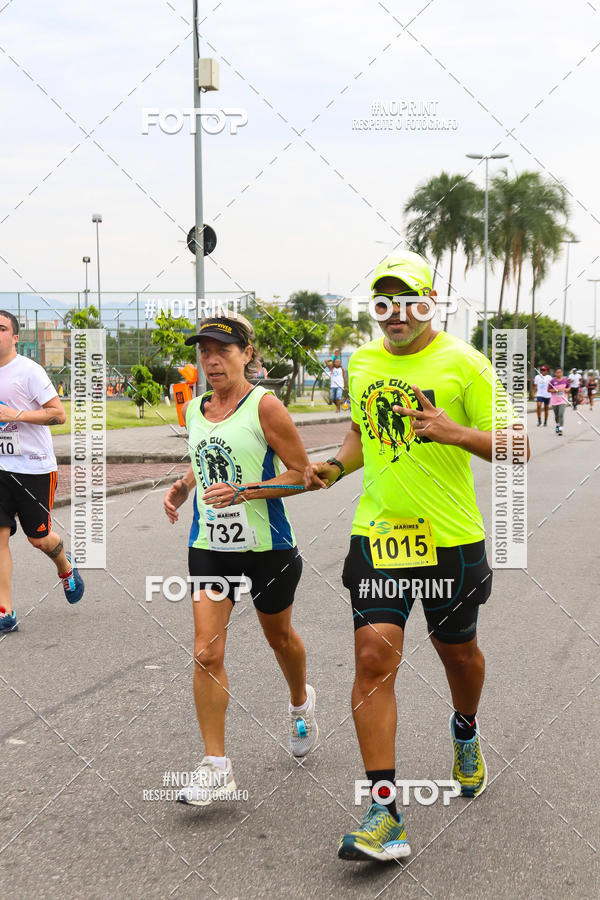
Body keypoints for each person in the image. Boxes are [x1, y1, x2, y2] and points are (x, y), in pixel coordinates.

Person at [305, 251, 529, 862]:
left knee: (460, 655)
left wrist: (452, 431)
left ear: (429, 301)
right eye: (384, 301)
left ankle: (465, 729)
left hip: (451, 539)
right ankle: (384, 812)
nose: (395, 313)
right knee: (373, 656)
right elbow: (359, 435)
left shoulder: (466, 363)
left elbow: (518, 445)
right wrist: (333, 466)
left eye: (407, 300)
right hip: (378, 535)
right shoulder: (363, 361)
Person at [163, 314, 319, 806]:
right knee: (206, 652)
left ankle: (301, 701)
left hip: (268, 547)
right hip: (210, 545)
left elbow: (302, 474)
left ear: (247, 354)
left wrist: (247, 491)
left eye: (223, 350)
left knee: (280, 638)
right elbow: (202, 456)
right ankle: (216, 767)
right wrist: (185, 486)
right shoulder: (194, 409)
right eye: (204, 350)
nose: (211, 359)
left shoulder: (265, 406)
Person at [0, 311, 85, 635]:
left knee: (39, 538)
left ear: (15, 337)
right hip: (0, 469)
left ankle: (65, 567)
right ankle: (5, 612)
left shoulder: (29, 371)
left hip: (34, 468)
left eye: (2, 328)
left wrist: (15, 414)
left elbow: (58, 415)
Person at [548, 367, 569, 435]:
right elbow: (548, 390)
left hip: (563, 400)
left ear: (562, 373)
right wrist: (556, 390)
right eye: (557, 372)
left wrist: (567, 390)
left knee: (561, 414)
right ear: (555, 373)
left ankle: (561, 429)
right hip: (554, 401)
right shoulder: (552, 381)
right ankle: (557, 425)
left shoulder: (565, 380)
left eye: (560, 372)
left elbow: (569, 387)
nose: (559, 374)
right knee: (556, 415)